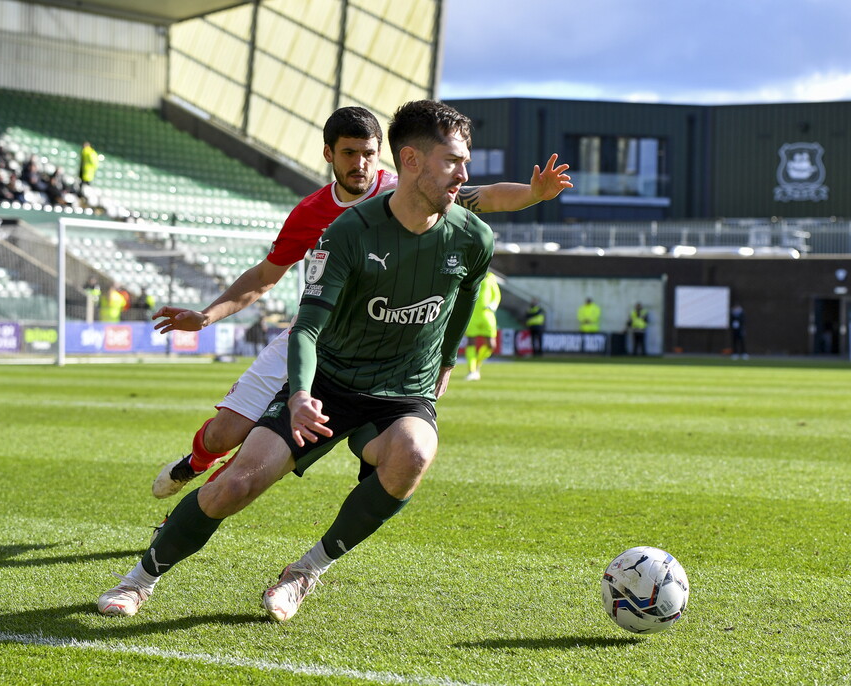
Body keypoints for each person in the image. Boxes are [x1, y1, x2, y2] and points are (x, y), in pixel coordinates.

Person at [97, 100, 497, 621]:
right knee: (235, 484)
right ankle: (138, 580)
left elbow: (467, 294)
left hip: (402, 390)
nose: (464, 175)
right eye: (453, 162)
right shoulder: (346, 230)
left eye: (465, 162)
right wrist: (302, 394)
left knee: (414, 454)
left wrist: (445, 361)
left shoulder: (473, 235)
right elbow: (305, 326)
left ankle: (305, 571)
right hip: (327, 381)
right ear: (411, 161)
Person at [148, 106, 572, 500]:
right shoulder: (310, 213)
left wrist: (534, 194)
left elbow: (484, 196)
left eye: (368, 153)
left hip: (371, 347)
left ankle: (182, 518)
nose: (360, 163)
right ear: (329, 155)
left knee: (260, 454)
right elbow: (263, 277)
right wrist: (207, 315)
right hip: (312, 334)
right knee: (223, 434)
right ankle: (194, 463)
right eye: (349, 153)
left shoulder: (407, 190)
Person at [464, 271, 501, 380]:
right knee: (471, 343)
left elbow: (497, 295)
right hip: (473, 316)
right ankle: (472, 370)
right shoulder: (471, 274)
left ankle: (477, 362)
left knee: (491, 345)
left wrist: (494, 304)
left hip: (486, 315)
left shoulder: (490, 277)